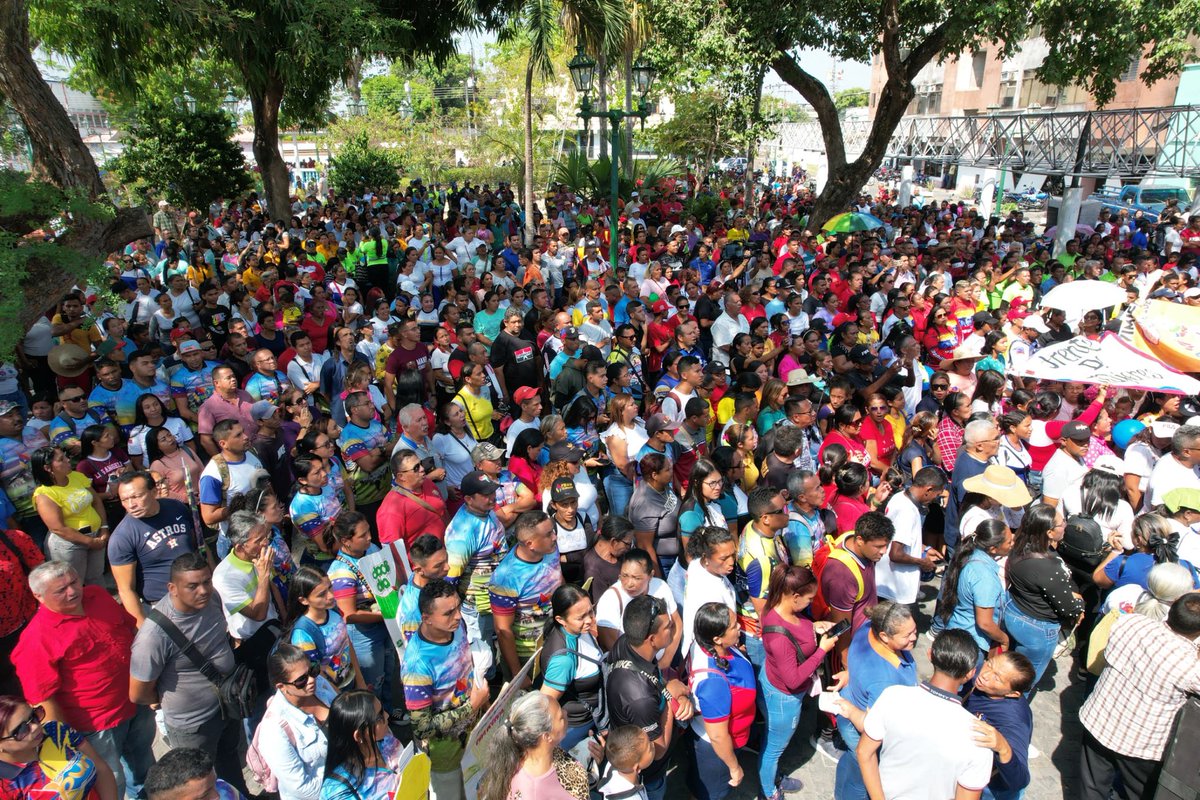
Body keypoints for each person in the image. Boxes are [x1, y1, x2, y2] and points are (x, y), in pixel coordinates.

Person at [12, 561, 153, 800]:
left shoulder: (97, 595)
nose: (73, 591)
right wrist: (67, 743)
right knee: (110, 782)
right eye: (61, 590)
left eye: (74, 582)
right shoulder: (36, 639)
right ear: (39, 596)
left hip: (136, 701)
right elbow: (43, 698)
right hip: (96, 725)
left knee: (146, 767)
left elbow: (131, 630)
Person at [130, 553, 250, 796]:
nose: (203, 590)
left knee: (230, 759)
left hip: (227, 704)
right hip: (192, 725)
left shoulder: (212, 598)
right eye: (193, 586)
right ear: (172, 588)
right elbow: (138, 694)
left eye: (207, 581)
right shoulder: (153, 636)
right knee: (199, 785)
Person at [1078, 593, 1200, 800]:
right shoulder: (1190, 666)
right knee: (1138, 793)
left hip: (1099, 719)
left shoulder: (1130, 623)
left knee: (1091, 786)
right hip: (1141, 744)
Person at [855, 629, 995, 800]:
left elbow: (864, 752)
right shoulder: (979, 738)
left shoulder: (893, 696)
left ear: (930, 654)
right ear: (971, 673)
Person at [401, 579, 491, 800]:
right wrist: (472, 706)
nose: (459, 616)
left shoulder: (455, 626)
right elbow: (422, 726)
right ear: (426, 618)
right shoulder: (417, 666)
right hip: (446, 759)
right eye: (449, 613)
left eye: (458, 607)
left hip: (476, 737)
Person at [758, 565, 839, 800]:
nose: (811, 603)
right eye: (809, 598)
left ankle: (771, 778)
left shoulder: (776, 608)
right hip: (784, 698)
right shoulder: (778, 637)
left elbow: (796, 631)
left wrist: (814, 627)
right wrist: (821, 650)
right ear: (794, 597)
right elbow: (793, 680)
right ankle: (769, 792)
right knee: (774, 749)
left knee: (771, 739)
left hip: (772, 682)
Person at [605, 594, 695, 800]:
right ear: (651, 639)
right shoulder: (640, 698)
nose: (673, 627)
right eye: (667, 626)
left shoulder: (627, 643)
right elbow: (659, 749)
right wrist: (671, 697)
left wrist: (667, 687)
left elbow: (651, 676)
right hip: (650, 775)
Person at [1003, 504, 1084, 690]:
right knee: (1022, 683)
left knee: (1011, 669)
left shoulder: (1018, 547)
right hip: (1037, 629)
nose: (1065, 525)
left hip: (1014, 611)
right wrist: (1079, 602)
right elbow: (1068, 608)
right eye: (1062, 523)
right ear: (1049, 532)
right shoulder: (1047, 567)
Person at [107, 471, 200, 625]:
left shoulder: (176, 508)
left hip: (199, 591)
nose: (131, 505)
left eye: (136, 497)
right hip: (165, 607)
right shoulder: (121, 538)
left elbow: (197, 546)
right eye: (124, 500)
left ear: (154, 491)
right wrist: (143, 627)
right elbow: (125, 590)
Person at [686, 602, 756, 800]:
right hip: (715, 752)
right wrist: (734, 767)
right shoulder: (713, 682)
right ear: (717, 638)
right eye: (734, 626)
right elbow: (717, 736)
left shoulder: (703, 643)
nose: (740, 626)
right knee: (712, 794)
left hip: (729, 737)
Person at [444, 469, 508, 665]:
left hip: (495, 596)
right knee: (483, 656)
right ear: (469, 499)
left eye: (493, 492)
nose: (492, 497)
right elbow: (451, 578)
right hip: (477, 605)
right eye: (486, 494)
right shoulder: (463, 533)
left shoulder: (486, 512)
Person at [0, 694, 118, 800]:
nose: (35, 726)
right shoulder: (4, 785)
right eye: (21, 730)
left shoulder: (55, 731)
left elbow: (101, 768)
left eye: (34, 716)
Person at [255, 643, 335, 800]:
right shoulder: (273, 731)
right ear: (281, 686)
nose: (312, 680)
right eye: (301, 680)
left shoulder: (320, 685)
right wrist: (347, 779)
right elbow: (303, 789)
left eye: (312, 670)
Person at [489, 510, 563, 680]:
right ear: (530, 544)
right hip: (527, 656)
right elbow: (502, 630)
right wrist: (518, 673)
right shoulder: (505, 579)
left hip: (556, 639)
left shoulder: (550, 549)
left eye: (553, 531)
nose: (554, 537)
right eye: (548, 534)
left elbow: (558, 577)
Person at [477, 692, 589, 800]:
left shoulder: (549, 752)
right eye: (560, 717)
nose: (565, 713)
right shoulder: (532, 793)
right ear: (547, 736)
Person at [537, 585, 606, 750]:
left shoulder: (580, 630)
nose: (589, 620)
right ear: (561, 620)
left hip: (595, 717)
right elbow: (543, 704)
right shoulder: (564, 660)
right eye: (581, 617)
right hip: (577, 730)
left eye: (591, 611)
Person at [935, 519, 1014, 660]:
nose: (1012, 544)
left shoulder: (970, 556)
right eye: (1009, 542)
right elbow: (985, 623)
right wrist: (1004, 639)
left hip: (956, 634)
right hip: (969, 646)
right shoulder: (984, 576)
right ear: (993, 549)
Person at [30, 445, 109, 586]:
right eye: (61, 459)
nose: (68, 460)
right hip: (70, 545)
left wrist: (104, 528)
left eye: (66, 456)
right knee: (74, 584)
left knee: (96, 577)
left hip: (97, 536)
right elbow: (58, 529)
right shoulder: (44, 494)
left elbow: (96, 501)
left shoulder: (76, 476)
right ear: (48, 468)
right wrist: (90, 542)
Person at [964, 652, 1037, 800]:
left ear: (1012, 694)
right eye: (989, 664)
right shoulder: (981, 677)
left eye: (997, 678)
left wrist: (1002, 747)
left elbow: (1020, 780)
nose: (985, 674)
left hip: (992, 789)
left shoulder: (1013, 720)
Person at [595, 548, 682, 665]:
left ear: (650, 575)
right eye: (624, 576)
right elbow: (612, 645)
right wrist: (646, 672)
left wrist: (665, 662)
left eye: (636, 578)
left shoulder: (661, 586)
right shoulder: (610, 599)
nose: (629, 583)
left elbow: (677, 624)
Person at [287, 566, 364, 692]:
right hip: (335, 695)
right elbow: (316, 675)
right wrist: (342, 698)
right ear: (303, 600)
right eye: (321, 594)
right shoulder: (303, 634)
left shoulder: (332, 610)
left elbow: (347, 644)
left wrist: (361, 681)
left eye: (330, 587)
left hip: (351, 683)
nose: (331, 595)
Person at [877, 467, 945, 608]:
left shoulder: (900, 496)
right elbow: (895, 554)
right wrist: (922, 562)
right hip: (896, 589)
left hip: (889, 583)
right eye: (937, 495)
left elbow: (897, 536)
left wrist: (923, 548)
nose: (935, 499)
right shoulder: (907, 511)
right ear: (929, 490)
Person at [319, 690, 400, 800]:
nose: (386, 716)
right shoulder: (338, 790)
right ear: (359, 736)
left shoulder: (387, 741)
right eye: (379, 717)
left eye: (383, 710)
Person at [681, 525, 738, 656]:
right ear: (706, 557)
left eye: (733, 555)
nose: (731, 562)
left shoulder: (697, 563)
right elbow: (715, 638)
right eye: (724, 558)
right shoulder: (709, 593)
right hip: (712, 654)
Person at [376, 449, 448, 549]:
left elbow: (443, 511)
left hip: (447, 553)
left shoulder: (427, 483)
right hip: (423, 564)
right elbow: (393, 551)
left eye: (421, 463)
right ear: (401, 476)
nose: (422, 469)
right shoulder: (391, 508)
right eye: (416, 468)